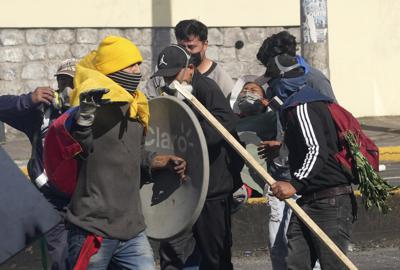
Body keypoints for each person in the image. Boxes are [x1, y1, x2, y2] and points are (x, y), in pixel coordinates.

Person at [45, 36, 187, 270]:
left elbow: (134, 154)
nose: (138, 70)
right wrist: (84, 120)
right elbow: (78, 148)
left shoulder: (136, 109)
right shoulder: (89, 107)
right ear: (114, 68)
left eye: (139, 64)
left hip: (132, 229)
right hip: (93, 230)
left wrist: (157, 161)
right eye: (131, 65)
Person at [258, 54, 354, 270]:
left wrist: (294, 184)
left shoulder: (302, 106)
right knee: (296, 263)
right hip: (310, 199)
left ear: (281, 81)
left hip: (329, 202)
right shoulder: (299, 105)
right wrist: (283, 148)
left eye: (271, 83)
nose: (270, 90)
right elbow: (317, 143)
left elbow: (316, 149)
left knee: (333, 265)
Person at [151, 44, 243, 270]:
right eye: (165, 77)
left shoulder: (206, 88)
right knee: (172, 254)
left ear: (189, 68)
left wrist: (193, 135)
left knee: (214, 256)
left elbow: (225, 124)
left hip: (212, 187)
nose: (169, 81)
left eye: (173, 75)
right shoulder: (172, 93)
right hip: (183, 186)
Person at [0, 58, 77, 270]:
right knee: (61, 259)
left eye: (73, 82)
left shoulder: (89, 114)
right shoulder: (40, 113)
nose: (68, 89)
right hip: (50, 200)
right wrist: (28, 100)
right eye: (63, 82)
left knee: (86, 257)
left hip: (83, 200)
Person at [143, 19, 234, 99]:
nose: (186, 52)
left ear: (205, 45)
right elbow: (149, 101)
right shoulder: (165, 69)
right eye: (182, 46)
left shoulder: (220, 78)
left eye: (191, 47)